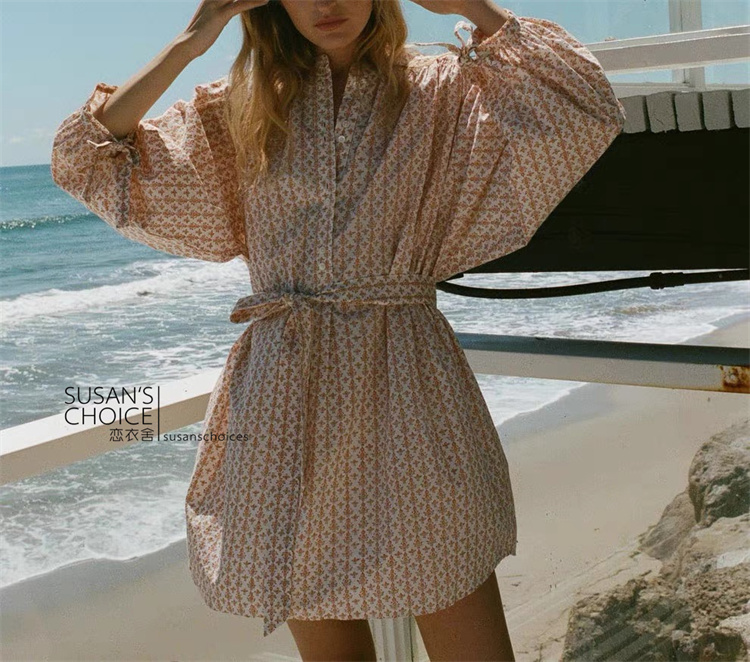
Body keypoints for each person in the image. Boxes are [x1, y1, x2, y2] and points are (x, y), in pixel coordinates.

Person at [50, 0, 626, 659]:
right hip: (283, 407)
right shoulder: (240, 110)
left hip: (408, 389)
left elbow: (581, 101)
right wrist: (192, 38)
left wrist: (468, 4)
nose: (326, 4)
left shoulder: (440, 91)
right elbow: (86, 158)